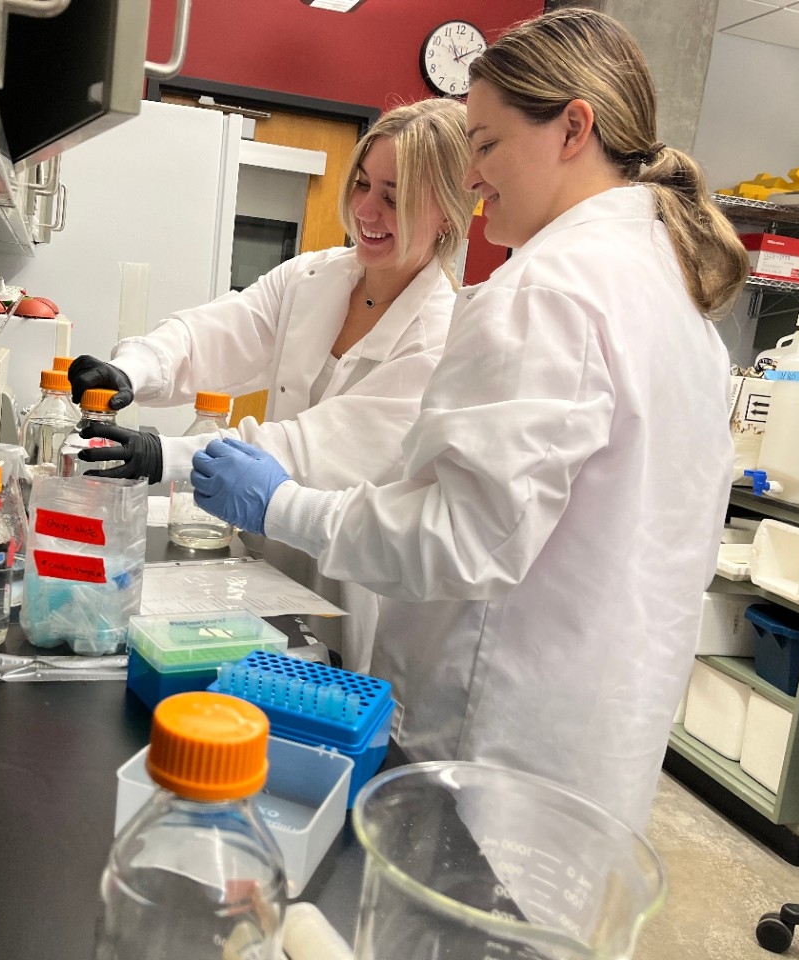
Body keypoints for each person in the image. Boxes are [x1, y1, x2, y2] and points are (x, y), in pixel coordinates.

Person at [188, 8, 749, 829]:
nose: (474, 175)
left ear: (572, 129)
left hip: (492, 750)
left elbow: (459, 540)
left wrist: (279, 505)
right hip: (596, 742)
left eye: (484, 144)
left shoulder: (547, 292)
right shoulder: (676, 297)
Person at [68, 99, 477, 672]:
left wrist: (167, 455)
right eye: (361, 184)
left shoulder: (440, 337)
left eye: (394, 195)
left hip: (346, 587)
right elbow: (214, 333)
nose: (365, 208)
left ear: (448, 215)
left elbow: (312, 449)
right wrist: (132, 368)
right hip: (261, 570)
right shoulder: (312, 278)